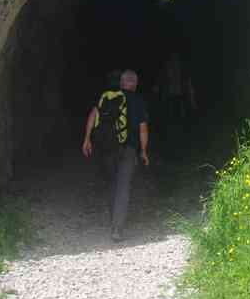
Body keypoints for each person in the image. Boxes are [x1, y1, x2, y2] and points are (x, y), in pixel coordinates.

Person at [82, 69, 149, 241]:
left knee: (112, 182)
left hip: (107, 148)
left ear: (121, 83)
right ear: (135, 84)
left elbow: (92, 115)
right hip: (129, 149)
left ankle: (114, 218)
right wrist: (143, 151)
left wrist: (87, 139)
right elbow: (143, 129)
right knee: (123, 185)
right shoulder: (138, 101)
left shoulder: (108, 96)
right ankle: (117, 228)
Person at [154, 52, 197, 159]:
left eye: (176, 58)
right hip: (170, 98)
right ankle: (171, 147)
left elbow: (188, 84)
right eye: (172, 58)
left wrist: (192, 100)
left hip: (179, 98)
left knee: (180, 122)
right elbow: (161, 82)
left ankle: (180, 146)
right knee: (171, 122)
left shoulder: (182, 69)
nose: (174, 61)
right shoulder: (166, 68)